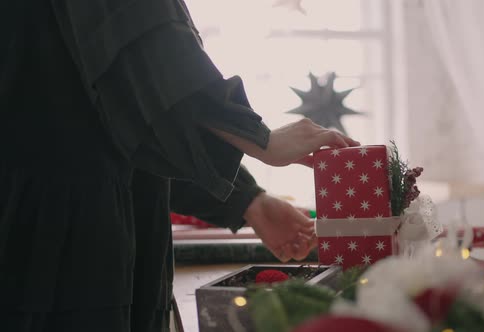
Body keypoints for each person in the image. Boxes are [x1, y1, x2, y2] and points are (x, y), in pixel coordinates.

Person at [0, 0, 359, 331]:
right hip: (56, 249)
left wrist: (248, 200)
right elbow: (143, 44)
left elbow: (131, 122)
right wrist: (257, 136)